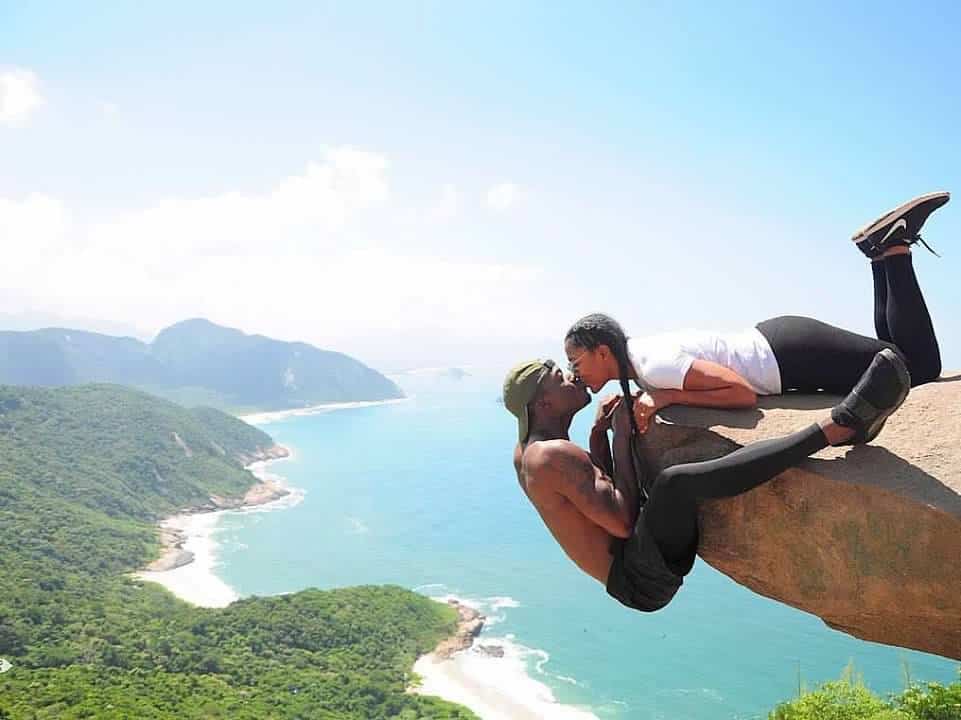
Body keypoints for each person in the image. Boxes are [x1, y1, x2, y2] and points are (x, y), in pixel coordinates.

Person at [504, 349, 910, 612]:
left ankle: (840, 427)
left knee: (669, 487)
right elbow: (624, 522)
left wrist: (600, 437)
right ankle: (839, 428)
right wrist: (623, 436)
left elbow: (593, 499)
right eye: (559, 375)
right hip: (640, 579)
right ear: (543, 403)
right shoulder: (552, 455)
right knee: (673, 485)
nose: (571, 374)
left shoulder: (529, 450)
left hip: (628, 574)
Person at [564, 191, 948, 436]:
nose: (574, 373)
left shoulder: (652, 367)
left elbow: (741, 393)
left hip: (790, 357)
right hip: (782, 346)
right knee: (893, 357)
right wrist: (637, 395)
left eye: (576, 362)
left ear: (602, 351)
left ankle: (894, 246)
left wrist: (662, 398)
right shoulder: (642, 361)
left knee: (919, 368)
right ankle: (881, 252)